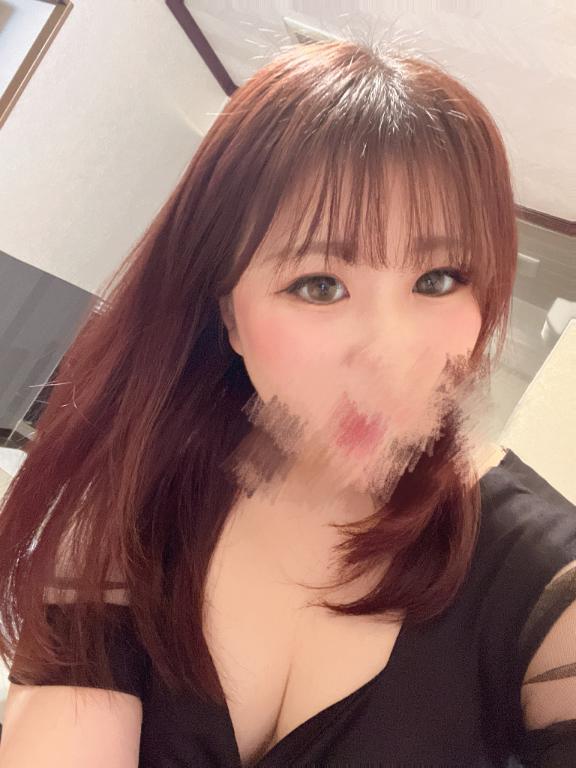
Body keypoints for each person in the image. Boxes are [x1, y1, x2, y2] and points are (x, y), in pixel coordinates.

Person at [0, 38, 575, 768]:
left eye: (437, 280)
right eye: (319, 285)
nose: (389, 352)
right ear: (229, 318)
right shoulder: (140, 495)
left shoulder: (548, 587)